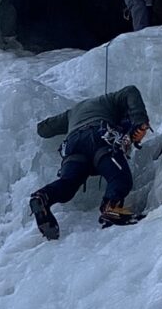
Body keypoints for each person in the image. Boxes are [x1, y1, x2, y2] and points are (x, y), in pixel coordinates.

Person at [29, 83, 151, 240]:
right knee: (120, 179)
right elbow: (130, 90)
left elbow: (43, 129)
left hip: (73, 144)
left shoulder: (72, 113)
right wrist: (139, 120)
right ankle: (111, 207)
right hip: (99, 136)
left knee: (68, 185)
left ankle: (42, 197)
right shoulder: (110, 100)